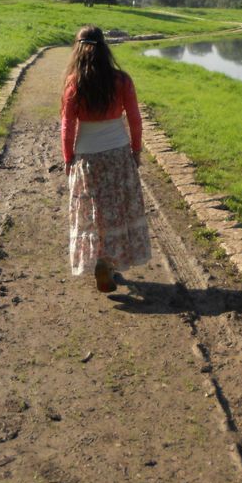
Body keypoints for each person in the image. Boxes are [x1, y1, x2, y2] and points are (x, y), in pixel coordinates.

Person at [61, 26, 151, 292]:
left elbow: (67, 126)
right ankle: (109, 261)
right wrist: (136, 150)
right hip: (117, 155)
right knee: (117, 210)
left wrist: (68, 158)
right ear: (105, 47)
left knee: (93, 212)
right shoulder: (122, 80)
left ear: (77, 49)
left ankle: (100, 259)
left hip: (87, 157)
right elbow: (134, 119)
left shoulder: (74, 83)